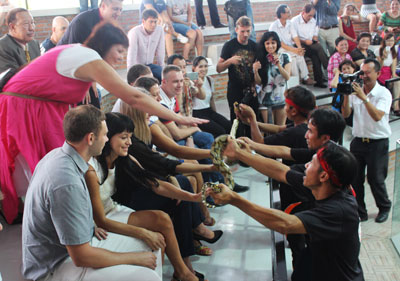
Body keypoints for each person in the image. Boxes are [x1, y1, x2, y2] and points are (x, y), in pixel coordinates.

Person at [0, 22, 205, 225]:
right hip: (26, 109)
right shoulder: (88, 57)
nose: (121, 57)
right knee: (58, 167)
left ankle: (73, 216)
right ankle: (65, 221)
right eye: (118, 50)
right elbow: (134, 97)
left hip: (41, 107)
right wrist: (178, 117)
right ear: (105, 45)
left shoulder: (82, 56)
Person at [22, 105, 162, 281]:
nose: (106, 139)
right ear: (90, 138)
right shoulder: (67, 182)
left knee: (154, 244)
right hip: (55, 267)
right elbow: (81, 257)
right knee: (147, 275)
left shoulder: (58, 156)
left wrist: (86, 226)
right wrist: (135, 258)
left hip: (69, 250)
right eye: (104, 134)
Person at [208, 142, 365, 281]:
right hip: (317, 262)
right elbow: (281, 172)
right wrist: (240, 153)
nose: (306, 166)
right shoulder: (326, 187)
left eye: (311, 163)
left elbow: (285, 224)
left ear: (323, 176)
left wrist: (235, 199)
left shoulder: (340, 211)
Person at [87, 112, 212, 280]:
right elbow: (98, 218)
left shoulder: (124, 159)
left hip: (111, 211)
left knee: (162, 219)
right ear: (107, 137)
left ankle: (182, 271)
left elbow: (155, 184)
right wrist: (144, 233)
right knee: (156, 230)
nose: (129, 143)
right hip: (98, 220)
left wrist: (194, 197)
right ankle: (183, 270)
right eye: (124, 137)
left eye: (130, 137)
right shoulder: (92, 168)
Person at [342, 58, 392, 223]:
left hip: (378, 142)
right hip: (358, 141)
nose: (364, 76)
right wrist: (347, 96)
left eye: (368, 72)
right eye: (362, 72)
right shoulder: (356, 90)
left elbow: (378, 116)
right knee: (355, 179)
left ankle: (384, 207)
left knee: (375, 179)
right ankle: (360, 212)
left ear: (378, 73)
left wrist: (364, 98)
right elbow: (346, 114)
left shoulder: (383, 93)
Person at [58, 0, 124, 108]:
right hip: (65, 69)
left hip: (85, 67)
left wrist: (92, 80)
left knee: (94, 95)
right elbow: (72, 56)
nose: (118, 13)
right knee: (88, 100)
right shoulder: (82, 22)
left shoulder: (110, 24)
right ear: (103, 6)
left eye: (120, 10)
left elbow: (99, 56)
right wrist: (83, 84)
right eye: (115, 9)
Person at [236, 86, 315, 150]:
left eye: (286, 105)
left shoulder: (294, 132)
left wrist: (252, 117)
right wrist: (249, 122)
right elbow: (278, 129)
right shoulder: (304, 124)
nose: (284, 108)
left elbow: (260, 143)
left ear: (294, 111)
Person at [217, 16, 257, 138]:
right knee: (236, 121)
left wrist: (255, 85)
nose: (245, 34)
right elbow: (218, 68)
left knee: (252, 121)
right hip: (235, 89)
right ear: (236, 30)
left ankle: (252, 149)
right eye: (242, 31)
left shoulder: (255, 46)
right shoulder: (229, 46)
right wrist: (229, 61)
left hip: (251, 90)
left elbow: (259, 71)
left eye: (248, 31)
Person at [269, 4, 314, 86]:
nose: (290, 14)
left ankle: (305, 77)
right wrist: (294, 50)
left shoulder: (290, 23)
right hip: (280, 49)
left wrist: (299, 48)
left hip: (290, 48)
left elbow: (295, 36)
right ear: (282, 14)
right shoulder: (274, 26)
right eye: (288, 12)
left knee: (299, 55)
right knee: (292, 58)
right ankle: (296, 82)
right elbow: (280, 43)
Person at [254, 31, 291, 125]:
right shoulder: (260, 58)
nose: (270, 46)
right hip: (265, 100)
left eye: (273, 43)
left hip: (281, 98)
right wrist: (255, 71)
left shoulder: (285, 57)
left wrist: (279, 65)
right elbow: (259, 82)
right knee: (269, 130)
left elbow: (287, 77)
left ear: (277, 44)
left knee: (281, 129)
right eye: (267, 43)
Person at [192, 55, 231, 137]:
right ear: (194, 68)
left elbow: (211, 99)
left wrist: (215, 115)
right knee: (220, 131)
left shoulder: (209, 80)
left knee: (228, 125)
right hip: (197, 113)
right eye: (200, 66)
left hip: (209, 111)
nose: (204, 69)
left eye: (206, 66)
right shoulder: (192, 81)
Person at [291, 4, 329, 88]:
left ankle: (318, 82)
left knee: (316, 56)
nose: (311, 17)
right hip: (299, 45)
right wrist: (305, 41)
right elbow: (293, 37)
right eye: (309, 15)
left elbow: (315, 33)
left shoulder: (313, 20)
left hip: (310, 44)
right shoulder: (294, 21)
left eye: (313, 15)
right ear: (303, 12)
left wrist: (314, 38)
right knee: (318, 47)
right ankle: (329, 66)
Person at [127, 9, 165, 82]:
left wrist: (162, 70)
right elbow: (131, 56)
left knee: (163, 77)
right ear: (143, 21)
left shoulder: (159, 30)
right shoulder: (134, 33)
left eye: (155, 22)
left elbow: (161, 51)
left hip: (150, 66)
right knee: (144, 82)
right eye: (151, 22)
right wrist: (130, 77)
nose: (153, 25)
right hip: (137, 68)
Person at [0, 8, 40, 73]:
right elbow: (9, 77)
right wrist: (38, 62)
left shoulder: (34, 44)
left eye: (32, 23)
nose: (31, 28)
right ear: (12, 27)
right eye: (26, 24)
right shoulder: (2, 46)